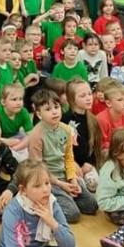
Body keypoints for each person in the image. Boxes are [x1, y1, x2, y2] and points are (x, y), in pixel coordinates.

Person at [27, 89, 98, 223]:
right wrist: (60, 184)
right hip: (49, 180)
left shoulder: (66, 129)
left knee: (92, 206)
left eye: (56, 107)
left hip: (65, 175)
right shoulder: (36, 135)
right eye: (48, 109)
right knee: (73, 215)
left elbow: (68, 157)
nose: (54, 112)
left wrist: (72, 179)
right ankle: (45, 203)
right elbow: (39, 168)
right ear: (39, 114)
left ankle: (65, 198)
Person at [63, 80, 103, 192]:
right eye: (83, 96)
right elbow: (62, 147)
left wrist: (89, 163)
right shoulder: (65, 120)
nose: (88, 98)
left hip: (87, 165)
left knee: (95, 184)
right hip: (70, 165)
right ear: (72, 99)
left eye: (90, 94)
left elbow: (95, 147)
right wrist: (73, 164)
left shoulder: (93, 120)